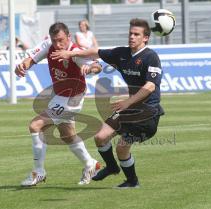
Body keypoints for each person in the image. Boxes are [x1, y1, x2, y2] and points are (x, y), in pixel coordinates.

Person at [50, 18, 164, 188]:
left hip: (148, 113)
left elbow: (150, 86)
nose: (132, 37)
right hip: (130, 108)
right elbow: (96, 52)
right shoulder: (122, 54)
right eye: (130, 33)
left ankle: (132, 182)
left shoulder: (151, 57)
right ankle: (111, 167)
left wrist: (127, 102)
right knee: (100, 137)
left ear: (145, 38)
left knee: (121, 148)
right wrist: (71, 53)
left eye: (136, 34)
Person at [15, 22, 102, 187]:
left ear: (68, 37)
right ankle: (91, 164)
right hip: (58, 96)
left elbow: (97, 65)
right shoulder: (49, 45)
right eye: (55, 40)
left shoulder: (75, 52)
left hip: (72, 98)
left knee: (36, 126)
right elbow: (31, 59)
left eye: (61, 40)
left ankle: (38, 172)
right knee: (67, 135)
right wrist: (22, 66)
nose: (57, 44)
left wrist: (90, 69)